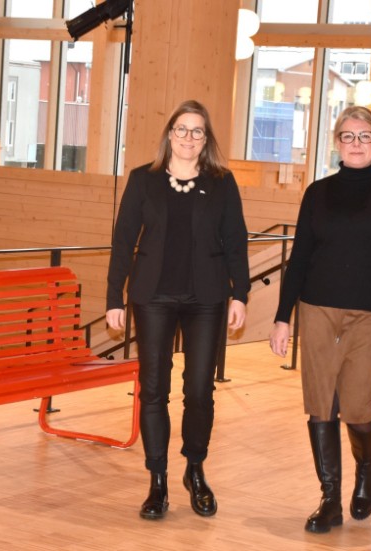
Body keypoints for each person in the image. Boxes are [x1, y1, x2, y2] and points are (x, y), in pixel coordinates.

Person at [268, 106, 371, 533]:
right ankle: (330, 497)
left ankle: (365, 470)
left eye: (365, 136)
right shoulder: (317, 192)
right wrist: (283, 317)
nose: (357, 144)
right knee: (320, 403)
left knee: (356, 406)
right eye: (349, 136)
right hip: (317, 308)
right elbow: (298, 259)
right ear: (337, 142)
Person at [106, 99, 250, 520]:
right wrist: (114, 297)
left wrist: (239, 293)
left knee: (200, 390)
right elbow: (122, 241)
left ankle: (195, 469)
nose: (189, 138)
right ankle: (157, 482)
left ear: (207, 140)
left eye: (198, 131)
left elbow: (236, 240)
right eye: (182, 130)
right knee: (153, 390)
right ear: (170, 134)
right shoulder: (142, 180)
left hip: (206, 298)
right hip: (152, 297)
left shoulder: (221, 182)